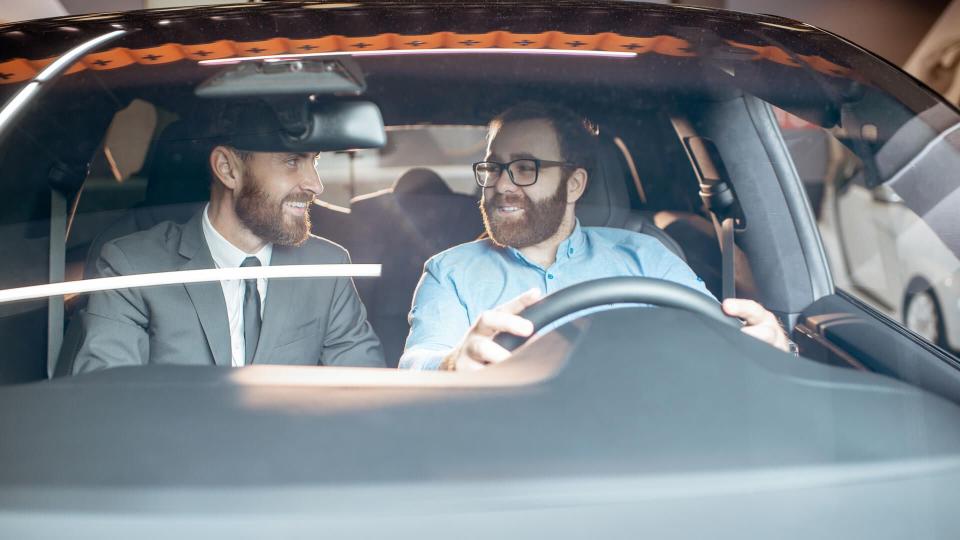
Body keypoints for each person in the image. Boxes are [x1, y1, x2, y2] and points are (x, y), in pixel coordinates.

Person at [400, 102, 793, 371]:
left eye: (524, 168)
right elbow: (418, 365)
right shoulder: (449, 272)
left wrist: (769, 347)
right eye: (493, 167)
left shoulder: (645, 257)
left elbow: (720, 342)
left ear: (574, 185)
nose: (501, 184)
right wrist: (454, 363)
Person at [66, 102, 385, 373]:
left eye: (314, 162)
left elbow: (365, 395)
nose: (316, 185)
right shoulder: (133, 267)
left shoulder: (327, 268)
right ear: (227, 169)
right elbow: (109, 403)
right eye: (292, 161)